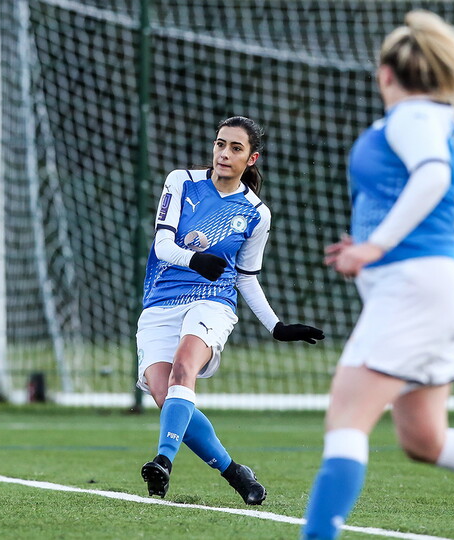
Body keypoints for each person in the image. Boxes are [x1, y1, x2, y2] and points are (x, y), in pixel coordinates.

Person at [301, 10, 454, 539]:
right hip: (434, 285)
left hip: (412, 289)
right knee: (425, 439)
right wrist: (375, 242)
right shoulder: (443, 120)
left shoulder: (412, 116)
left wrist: (375, 245)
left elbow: (433, 178)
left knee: (345, 417)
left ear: (386, 73)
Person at [137, 116, 325, 504]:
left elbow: (245, 277)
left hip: (212, 301)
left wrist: (277, 326)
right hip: (160, 302)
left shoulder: (256, 213)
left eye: (235, 148)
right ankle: (235, 472)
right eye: (220, 144)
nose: (224, 153)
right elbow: (161, 247)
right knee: (163, 393)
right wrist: (195, 260)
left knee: (183, 368)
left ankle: (163, 461)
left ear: (251, 158)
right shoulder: (181, 181)